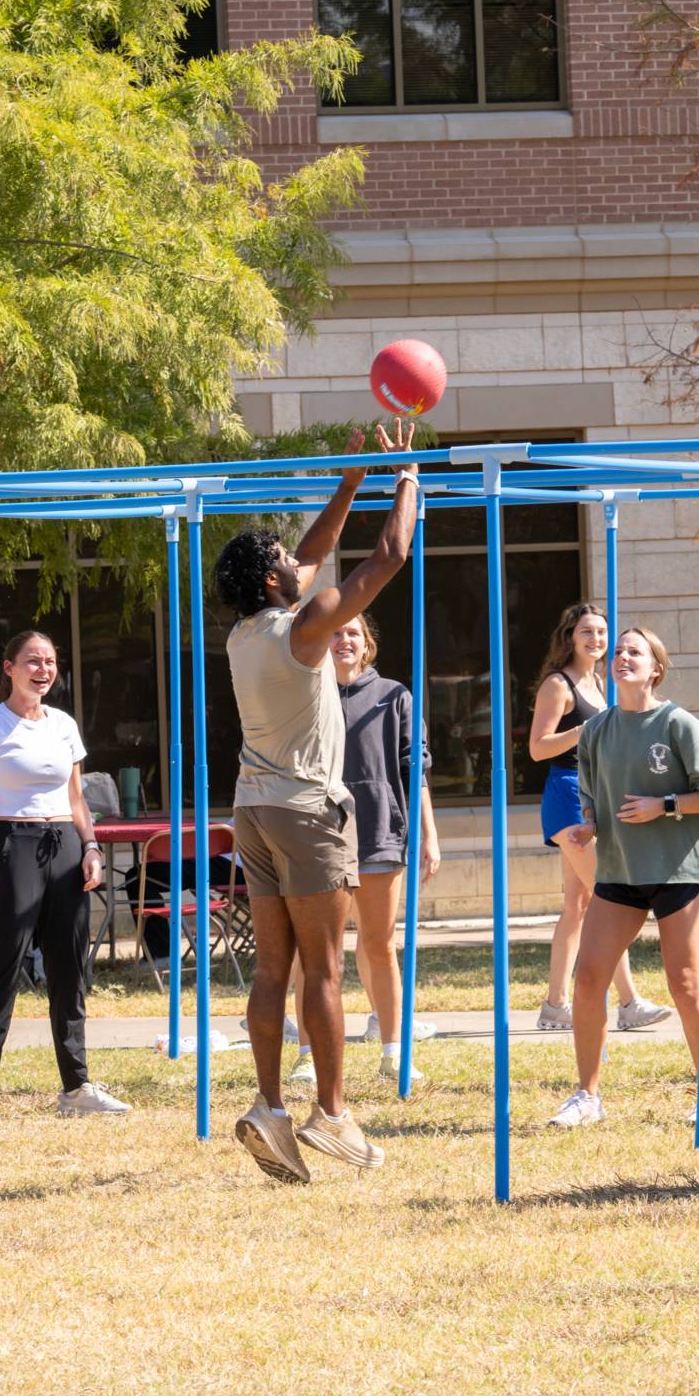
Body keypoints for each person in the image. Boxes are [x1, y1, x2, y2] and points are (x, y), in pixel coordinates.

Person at [215, 421, 419, 1185]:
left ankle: (270, 1104)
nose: (298, 563)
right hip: (306, 813)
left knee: (275, 969)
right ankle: (330, 1114)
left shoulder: (245, 632)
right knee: (326, 973)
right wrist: (406, 478)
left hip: (256, 810)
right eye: (284, 563)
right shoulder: (305, 629)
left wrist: (350, 480)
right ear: (274, 582)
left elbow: (307, 554)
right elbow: (388, 557)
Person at [546, 628, 699, 1130]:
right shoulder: (596, 731)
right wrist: (589, 824)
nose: (621, 657)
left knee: (686, 983)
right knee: (587, 979)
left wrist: (664, 806)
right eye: (618, 652)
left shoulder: (679, 725)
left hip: (679, 870)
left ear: (655, 669)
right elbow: (590, 791)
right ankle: (587, 1095)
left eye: (635, 651)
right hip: (621, 871)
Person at [0, 629, 127, 1128]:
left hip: (65, 849)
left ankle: (76, 1085)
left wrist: (91, 847)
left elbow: (77, 800)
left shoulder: (64, 725)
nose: (43, 670)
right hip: (13, 846)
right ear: (8, 668)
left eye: (50, 661)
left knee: (69, 968)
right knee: (3, 967)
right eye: (32, 661)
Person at [527, 603, 672, 1037]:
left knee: (577, 907)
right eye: (587, 632)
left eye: (602, 633)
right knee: (610, 896)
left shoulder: (600, 681)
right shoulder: (560, 684)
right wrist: (584, 731)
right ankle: (629, 1001)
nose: (596, 640)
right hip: (567, 795)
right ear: (570, 636)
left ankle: (554, 1005)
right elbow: (537, 748)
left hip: (595, 793)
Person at [329, 614, 443, 1082]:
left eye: (353, 632)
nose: (344, 640)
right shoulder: (307, 694)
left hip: (379, 831)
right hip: (323, 834)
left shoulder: (394, 695)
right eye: (335, 632)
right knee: (322, 952)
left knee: (378, 944)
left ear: (367, 643)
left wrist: (429, 833)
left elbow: (414, 768)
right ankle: (311, 1056)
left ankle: (394, 1051)